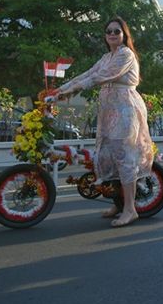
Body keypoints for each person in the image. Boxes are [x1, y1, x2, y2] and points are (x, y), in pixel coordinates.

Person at [52, 17, 153, 228]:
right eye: (109, 31)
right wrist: (62, 89)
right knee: (108, 155)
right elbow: (89, 73)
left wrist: (74, 89)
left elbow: (102, 77)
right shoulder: (107, 56)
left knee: (123, 156)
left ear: (124, 34)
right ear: (105, 35)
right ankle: (118, 203)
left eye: (117, 31)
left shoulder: (126, 54)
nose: (113, 34)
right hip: (109, 111)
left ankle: (130, 209)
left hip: (125, 109)